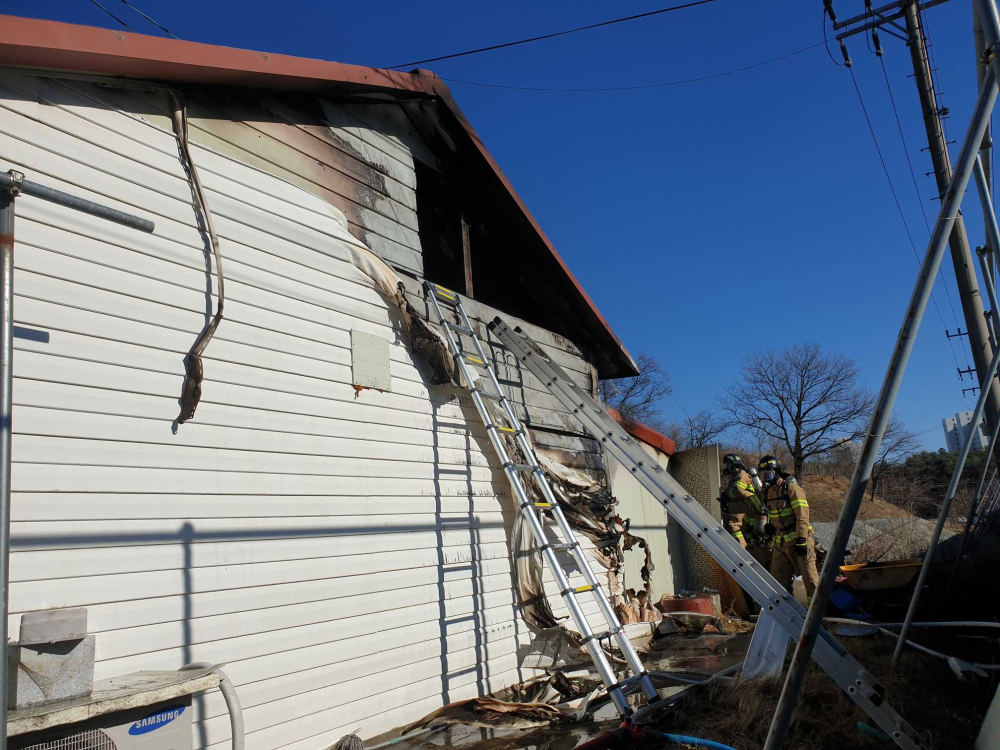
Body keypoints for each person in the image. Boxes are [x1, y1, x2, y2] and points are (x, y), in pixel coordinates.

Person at [758, 455, 819, 602]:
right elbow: (772, 513)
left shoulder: (791, 489)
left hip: (799, 541)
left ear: (776, 473)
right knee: (778, 583)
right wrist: (770, 527)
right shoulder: (766, 493)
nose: (765, 478)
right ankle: (786, 613)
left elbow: (802, 516)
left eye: (768, 474)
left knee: (811, 581)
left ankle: (817, 612)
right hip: (780, 544)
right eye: (762, 475)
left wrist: (802, 540)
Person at [720, 453, 764, 550]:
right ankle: (749, 550)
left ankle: (742, 550)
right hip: (745, 505)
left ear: (733, 464)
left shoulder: (742, 474)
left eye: (727, 465)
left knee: (733, 524)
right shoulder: (736, 476)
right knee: (747, 530)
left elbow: (738, 491)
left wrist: (726, 495)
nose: (726, 467)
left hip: (748, 504)